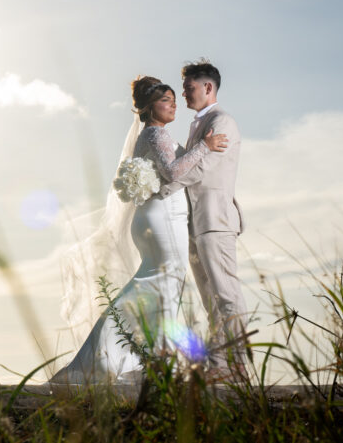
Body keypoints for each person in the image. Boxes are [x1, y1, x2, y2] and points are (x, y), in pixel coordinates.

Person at [49, 76, 227, 385]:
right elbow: (173, 171)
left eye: (174, 100)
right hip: (161, 217)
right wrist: (204, 146)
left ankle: (149, 359)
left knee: (163, 285)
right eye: (165, 101)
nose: (173, 105)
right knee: (158, 282)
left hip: (163, 215)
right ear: (148, 108)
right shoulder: (155, 135)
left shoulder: (156, 135)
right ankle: (107, 359)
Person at [180, 59, 249, 379]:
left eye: (189, 87)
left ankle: (238, 365)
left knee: (226, 293)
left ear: (208, 87)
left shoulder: (222, 122)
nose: (183, 93)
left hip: (216, 218)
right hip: (196, 221)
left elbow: (199, 169)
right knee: (210, 297)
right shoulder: (198, 124)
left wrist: (168, 177)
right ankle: (219, 365)